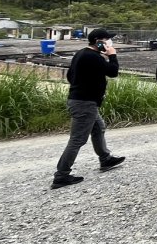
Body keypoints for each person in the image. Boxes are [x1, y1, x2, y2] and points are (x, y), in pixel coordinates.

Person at [52, 29, 127, 189]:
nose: (110, 43)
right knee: (77, 139)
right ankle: (61, 175)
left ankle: (105, 158)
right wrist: (112, 55)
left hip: (82, 101)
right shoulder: (93, 57)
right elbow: (113, 72)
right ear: (98, 41)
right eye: (108, 40)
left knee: (99, 127)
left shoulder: (82, 53)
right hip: (85, 103)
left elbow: (70, 76)